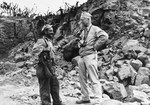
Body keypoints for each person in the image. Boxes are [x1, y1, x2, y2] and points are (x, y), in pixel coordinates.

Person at [76, 12, 109, 105]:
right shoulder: (83, 31)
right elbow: (81, 41)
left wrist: (95, 46)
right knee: (82, 78)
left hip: (90, 56)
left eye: (83, 20)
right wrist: (80, 44)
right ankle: (85, 97)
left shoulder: (95, 29)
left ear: (88, 19)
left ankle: (99, 99)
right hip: (82, 56)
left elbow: (104, 36)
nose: (81, 21)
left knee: (93, 78)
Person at [32, 24, 65, 105]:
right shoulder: (41, 41)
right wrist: (44, 49)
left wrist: (58, 46)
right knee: (45, 87)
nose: (52, 32)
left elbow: (51, 52)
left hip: (51, 66)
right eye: (50, 31)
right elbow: (34, 50)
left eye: (52, 31)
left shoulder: (49, 41)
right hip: (44, 66)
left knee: (55, 85)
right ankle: (45, 103)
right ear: (45, 31)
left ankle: (57, 102)